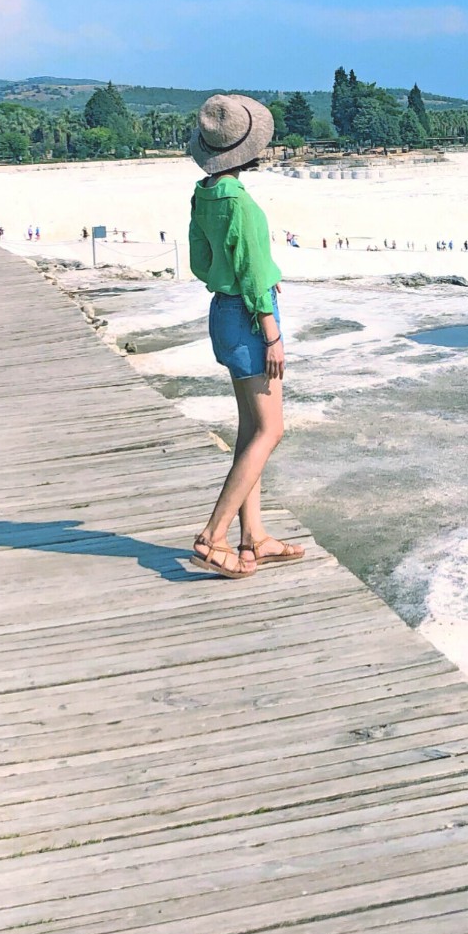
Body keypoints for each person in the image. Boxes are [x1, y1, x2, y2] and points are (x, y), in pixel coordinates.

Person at [181, 94, 306, 580]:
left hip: (222, 314)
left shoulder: (204, 195)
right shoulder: (244, 206)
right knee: (272, 430)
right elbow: (255, 274)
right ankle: (212, 538)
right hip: (253, 319)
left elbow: (199, 263)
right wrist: (272, 334)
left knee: (250, 429)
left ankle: (252, 536)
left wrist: (234, 279)